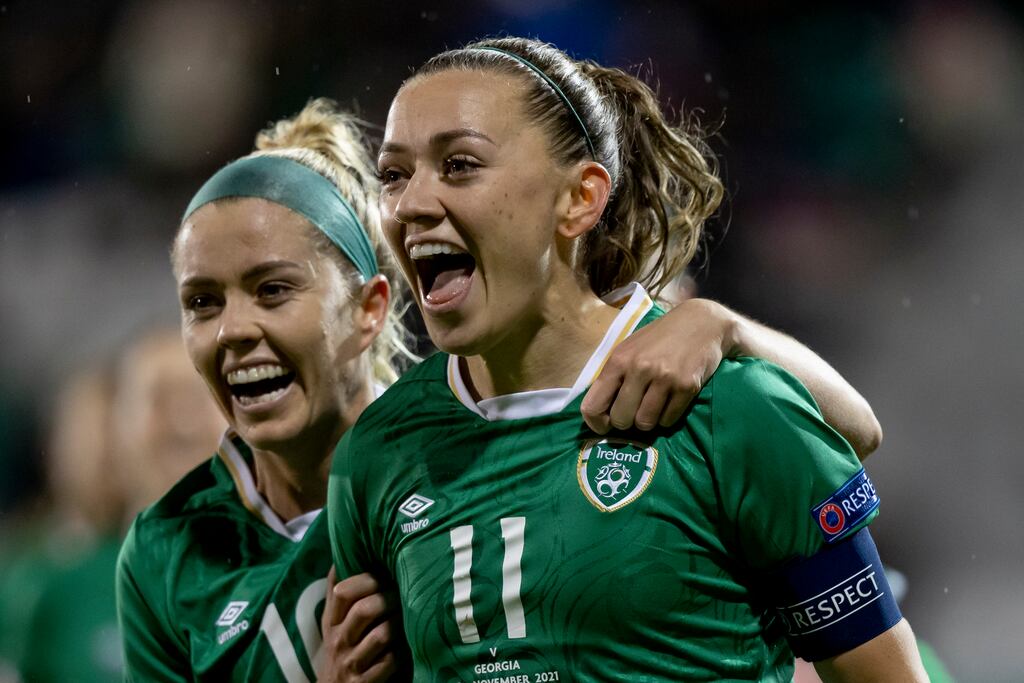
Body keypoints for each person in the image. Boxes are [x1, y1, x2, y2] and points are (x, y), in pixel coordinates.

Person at [117, 96, 883, 682]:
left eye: (273, 290)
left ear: (371, 307)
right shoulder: (164, 549)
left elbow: (847, 427)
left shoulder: (443, 442)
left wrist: (725, 325)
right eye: (202, 304)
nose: (234, 331)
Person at [326, 37, 927, 682]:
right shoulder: (378, 453)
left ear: (580, 198)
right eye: (393, 174)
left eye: (461, 164)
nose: (411, 203)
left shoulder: (730, 408)